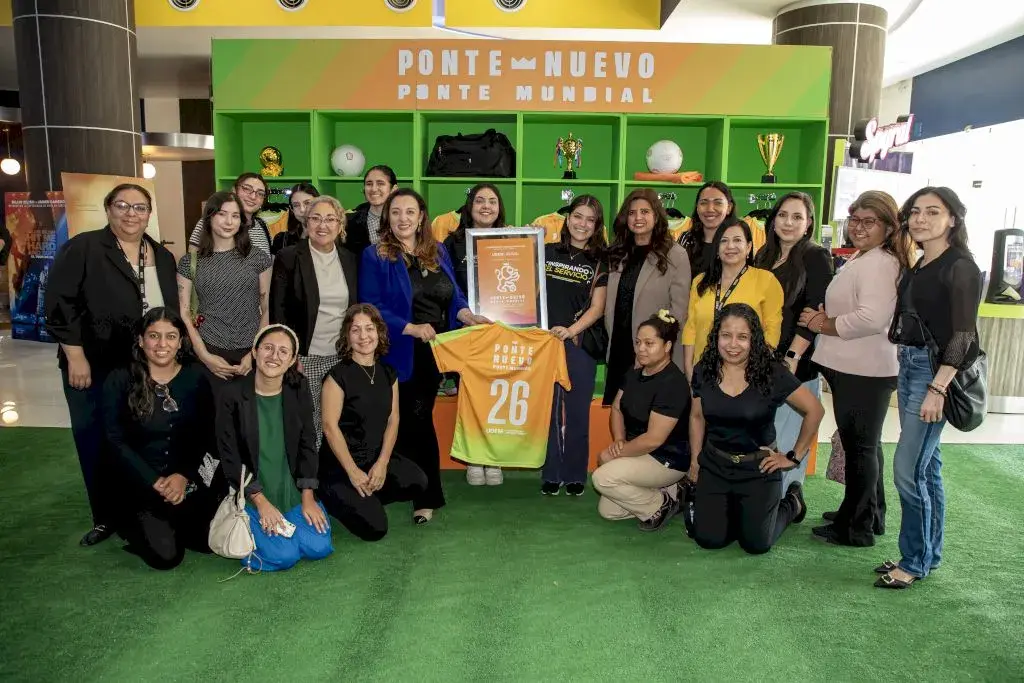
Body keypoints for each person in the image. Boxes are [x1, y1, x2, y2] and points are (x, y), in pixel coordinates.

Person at [46, 183, 180, 546]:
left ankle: (140, 510)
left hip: (143, 368)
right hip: (93, 365)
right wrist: (75, 355)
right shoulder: (85, 248)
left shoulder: (161, 256)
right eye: (123, 206)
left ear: (149, 214)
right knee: (96, 438)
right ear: (108, 209)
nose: (131, 214)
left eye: (139, 208)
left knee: (137, 439)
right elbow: (59, 303)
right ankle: (105, 517)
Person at [359, 188, 489, 523]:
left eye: (410, 212)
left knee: (416, 420)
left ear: (421, 218)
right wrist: (410, 328)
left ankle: (408, 487)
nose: (403, 218)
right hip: (400, 350)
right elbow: (371, 306)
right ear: (387, 217)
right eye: (396, 212)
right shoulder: (375, 255)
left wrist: (467, 315)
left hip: (435, 352)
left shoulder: (438, 250)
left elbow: (453, 295)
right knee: (410, 422)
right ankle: (423, 495)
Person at [876, 187, 982, 589]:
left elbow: (964, 336)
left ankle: (914, 561)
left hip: (934, 373)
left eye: (932, 212)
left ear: (953, 218)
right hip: (910, 365)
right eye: (915, 212)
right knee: (927, 465)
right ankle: (927, 554)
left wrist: (938, 389)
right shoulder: (922, 262)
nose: (920, 219)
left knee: (907, 469)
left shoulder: (961, 266)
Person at [800, 190, 915, 547]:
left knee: (859, 448)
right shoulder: (868, 256)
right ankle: (868, 513)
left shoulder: (881, 262)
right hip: (856, 366)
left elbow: (871, 318)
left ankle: (856, 526)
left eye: (869, 221)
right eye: (855, 219)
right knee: (864, 445)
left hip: (865, 370)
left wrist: (824, 323)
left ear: (889, 226)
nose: (859, 227)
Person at [689, 303, 823, 554]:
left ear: (754, 339)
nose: (733, 344)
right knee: (708, 540)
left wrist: (793, 457)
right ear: (716, 336)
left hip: (759, 469)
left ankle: (792, 503)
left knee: (756, 544)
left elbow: (815, 410)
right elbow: (696, 416)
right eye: (726, 335)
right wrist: (695, 461)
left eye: (742, 337)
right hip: (715, 466)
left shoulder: (772, 373)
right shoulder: (703, 370)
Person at [102, 307, 220, 570]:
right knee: (167, 558)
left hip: (184, 479)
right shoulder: (120, 378)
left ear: (180, 342)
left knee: (208, 542)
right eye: (154, 336)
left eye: (171, 336)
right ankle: (130, 523)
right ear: (141, 340)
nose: (162, 344)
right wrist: (154, 481)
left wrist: (183, 475)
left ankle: (174, 519)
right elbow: (114, 440)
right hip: (140, 481)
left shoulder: (196, 376)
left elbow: (207, 433)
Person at [216, 324, 333, 572]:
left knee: (319, 547)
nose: (274, 356)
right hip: (253, 491)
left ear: (292, 360)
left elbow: (308, 443)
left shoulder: (299, 388)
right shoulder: (231, 394)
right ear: (255, 352)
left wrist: (308, 496)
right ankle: (256, 533)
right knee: (284, 556)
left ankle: (285, 525)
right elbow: (230, 455)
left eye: (283, 351)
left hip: (291, 488)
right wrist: (260, 502)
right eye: (268, 348)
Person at [319, 304, 428, 540]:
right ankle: (333, 498)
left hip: (373, 459)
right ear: (347, 336)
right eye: (355, 330)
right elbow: (329, 427)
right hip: (341, 466)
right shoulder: (337, 376)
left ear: (379, 332)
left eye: (369, 328)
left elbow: (393, 419)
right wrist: (353, 472)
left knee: (417, 481)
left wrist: (382, 463)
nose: (363, 336)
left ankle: (367, 495)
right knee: (376, 529)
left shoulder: (388, 373)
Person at [752, 192, 834, 489]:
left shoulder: (816, 256)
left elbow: (814, 311)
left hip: (794, 363)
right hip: (762, 360)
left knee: (788, 438)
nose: (788, 222)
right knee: (766, 436)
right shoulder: (764, 255)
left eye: (797, 217)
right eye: (783, 215)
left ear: (809, 223)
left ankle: (788, 498)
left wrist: (792, 357)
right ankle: (767, 496)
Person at [269, 195, 358, 446]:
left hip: (341, 357)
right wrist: (290, 355)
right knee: (310, 425)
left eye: (330, 219)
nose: (322, 225)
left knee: (338, 424)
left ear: (340, 225)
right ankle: (309, 471)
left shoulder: (350, 259)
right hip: (306, 358)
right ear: (306, 223)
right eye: (316, 218)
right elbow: (278, 311)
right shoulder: (288, 257)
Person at [592, 311, 690, 530]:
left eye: (649, 343)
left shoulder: (672, 383)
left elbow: (654, 440)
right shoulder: (634, 373)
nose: (641, 348)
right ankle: (669, 493)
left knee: (602, 477)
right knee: (610, 511)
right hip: (638, 451)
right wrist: (619, 439)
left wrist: (618, 453)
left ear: (667, 346)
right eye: (638, 342)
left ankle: (662, 505)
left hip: (666, 458)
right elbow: (617, 407)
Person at [541, 195, 608, 496]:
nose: (583, 224)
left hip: (579, 343)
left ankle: (575, 475)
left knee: (578, 410)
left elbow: (598, 308)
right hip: (544, 344)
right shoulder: (546, 251)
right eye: (578, 217)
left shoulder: (600, 261)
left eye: (590, 220)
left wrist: (570, 331)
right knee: (550, 411)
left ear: (597, 226)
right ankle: (551, 473)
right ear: (567, 220)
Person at [603, 188, 691, 405]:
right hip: (619, 349)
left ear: (656, 216)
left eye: (645, 212)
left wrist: (651, 350)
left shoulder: (675, 255)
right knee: (618, 412)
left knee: (645, 414)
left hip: (653, 355)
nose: (638, 218)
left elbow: (679, 312)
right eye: (632, 213)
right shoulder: (617, 253)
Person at [177, 192, 273, 387]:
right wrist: (204, 355)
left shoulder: (258, 258)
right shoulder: (190, 262)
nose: (229, 222)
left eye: (235, 216)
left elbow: (267, 308)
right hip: (208, 347)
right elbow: (184, 312)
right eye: (222, 214)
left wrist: (255, 352)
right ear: (209, 217)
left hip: (251, 349)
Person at [682, 217, 784, 379]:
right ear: (716, 248)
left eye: (737, 240)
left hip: (746, 374)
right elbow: (691, 328)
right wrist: (689, 369)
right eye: (724, 241)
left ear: (748, 247)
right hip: (703, 371)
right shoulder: (700, 282)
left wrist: (757, 368)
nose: (730, 246)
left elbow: (772, 330)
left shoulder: (766, 280)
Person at [444, 182, 508, 295]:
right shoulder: (452, 243)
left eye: (492, 202)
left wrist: (532, 245)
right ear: (470, 206)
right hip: (464, 306)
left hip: (503, 305)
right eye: (479, 201)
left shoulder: (509, 241)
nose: (486, 206)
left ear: (499, 208)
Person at [188, 172, 271, 254]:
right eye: (247, 189)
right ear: (234, 190)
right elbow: (192, 259)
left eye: (260, 193)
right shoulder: (210, 222)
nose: (253, 197)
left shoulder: (263, 226)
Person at [678, 181, 739, 279]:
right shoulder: (687, 239)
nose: (710, 209)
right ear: (697, 207)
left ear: (729, 208)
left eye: (718, 203)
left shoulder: (737, 243)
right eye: (704, 203)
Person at [345, 165, 399, 258]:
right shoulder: (350, 222)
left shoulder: (404, 220)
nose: (374, 189)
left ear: (394, 189)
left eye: (380, 183)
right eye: (369, 184)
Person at [270, 182, 319, 255]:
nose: (302, 209)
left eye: (307, 203)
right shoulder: (281, 240)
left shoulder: (331, 236)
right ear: (292, 209)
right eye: (296, 205)